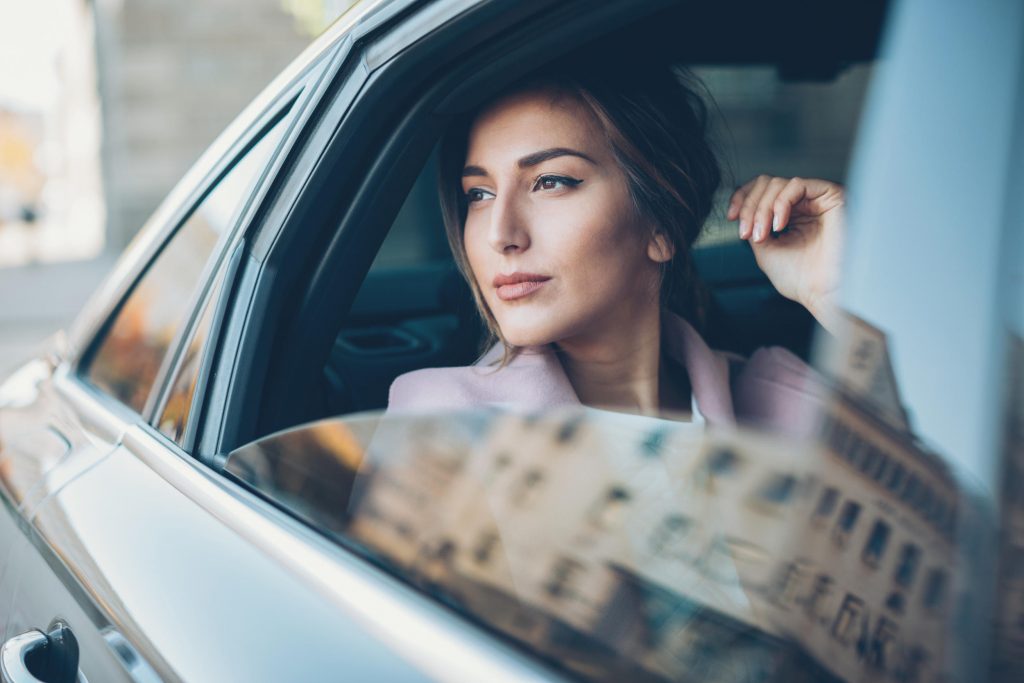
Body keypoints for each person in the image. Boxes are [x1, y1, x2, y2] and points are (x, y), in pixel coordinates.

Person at [388, 51, 843, 431]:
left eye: (550, 182)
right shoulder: (444, 424)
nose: (499, 235)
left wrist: (834, 294)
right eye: (479, 194)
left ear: (661, 225)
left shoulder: (787, 408)